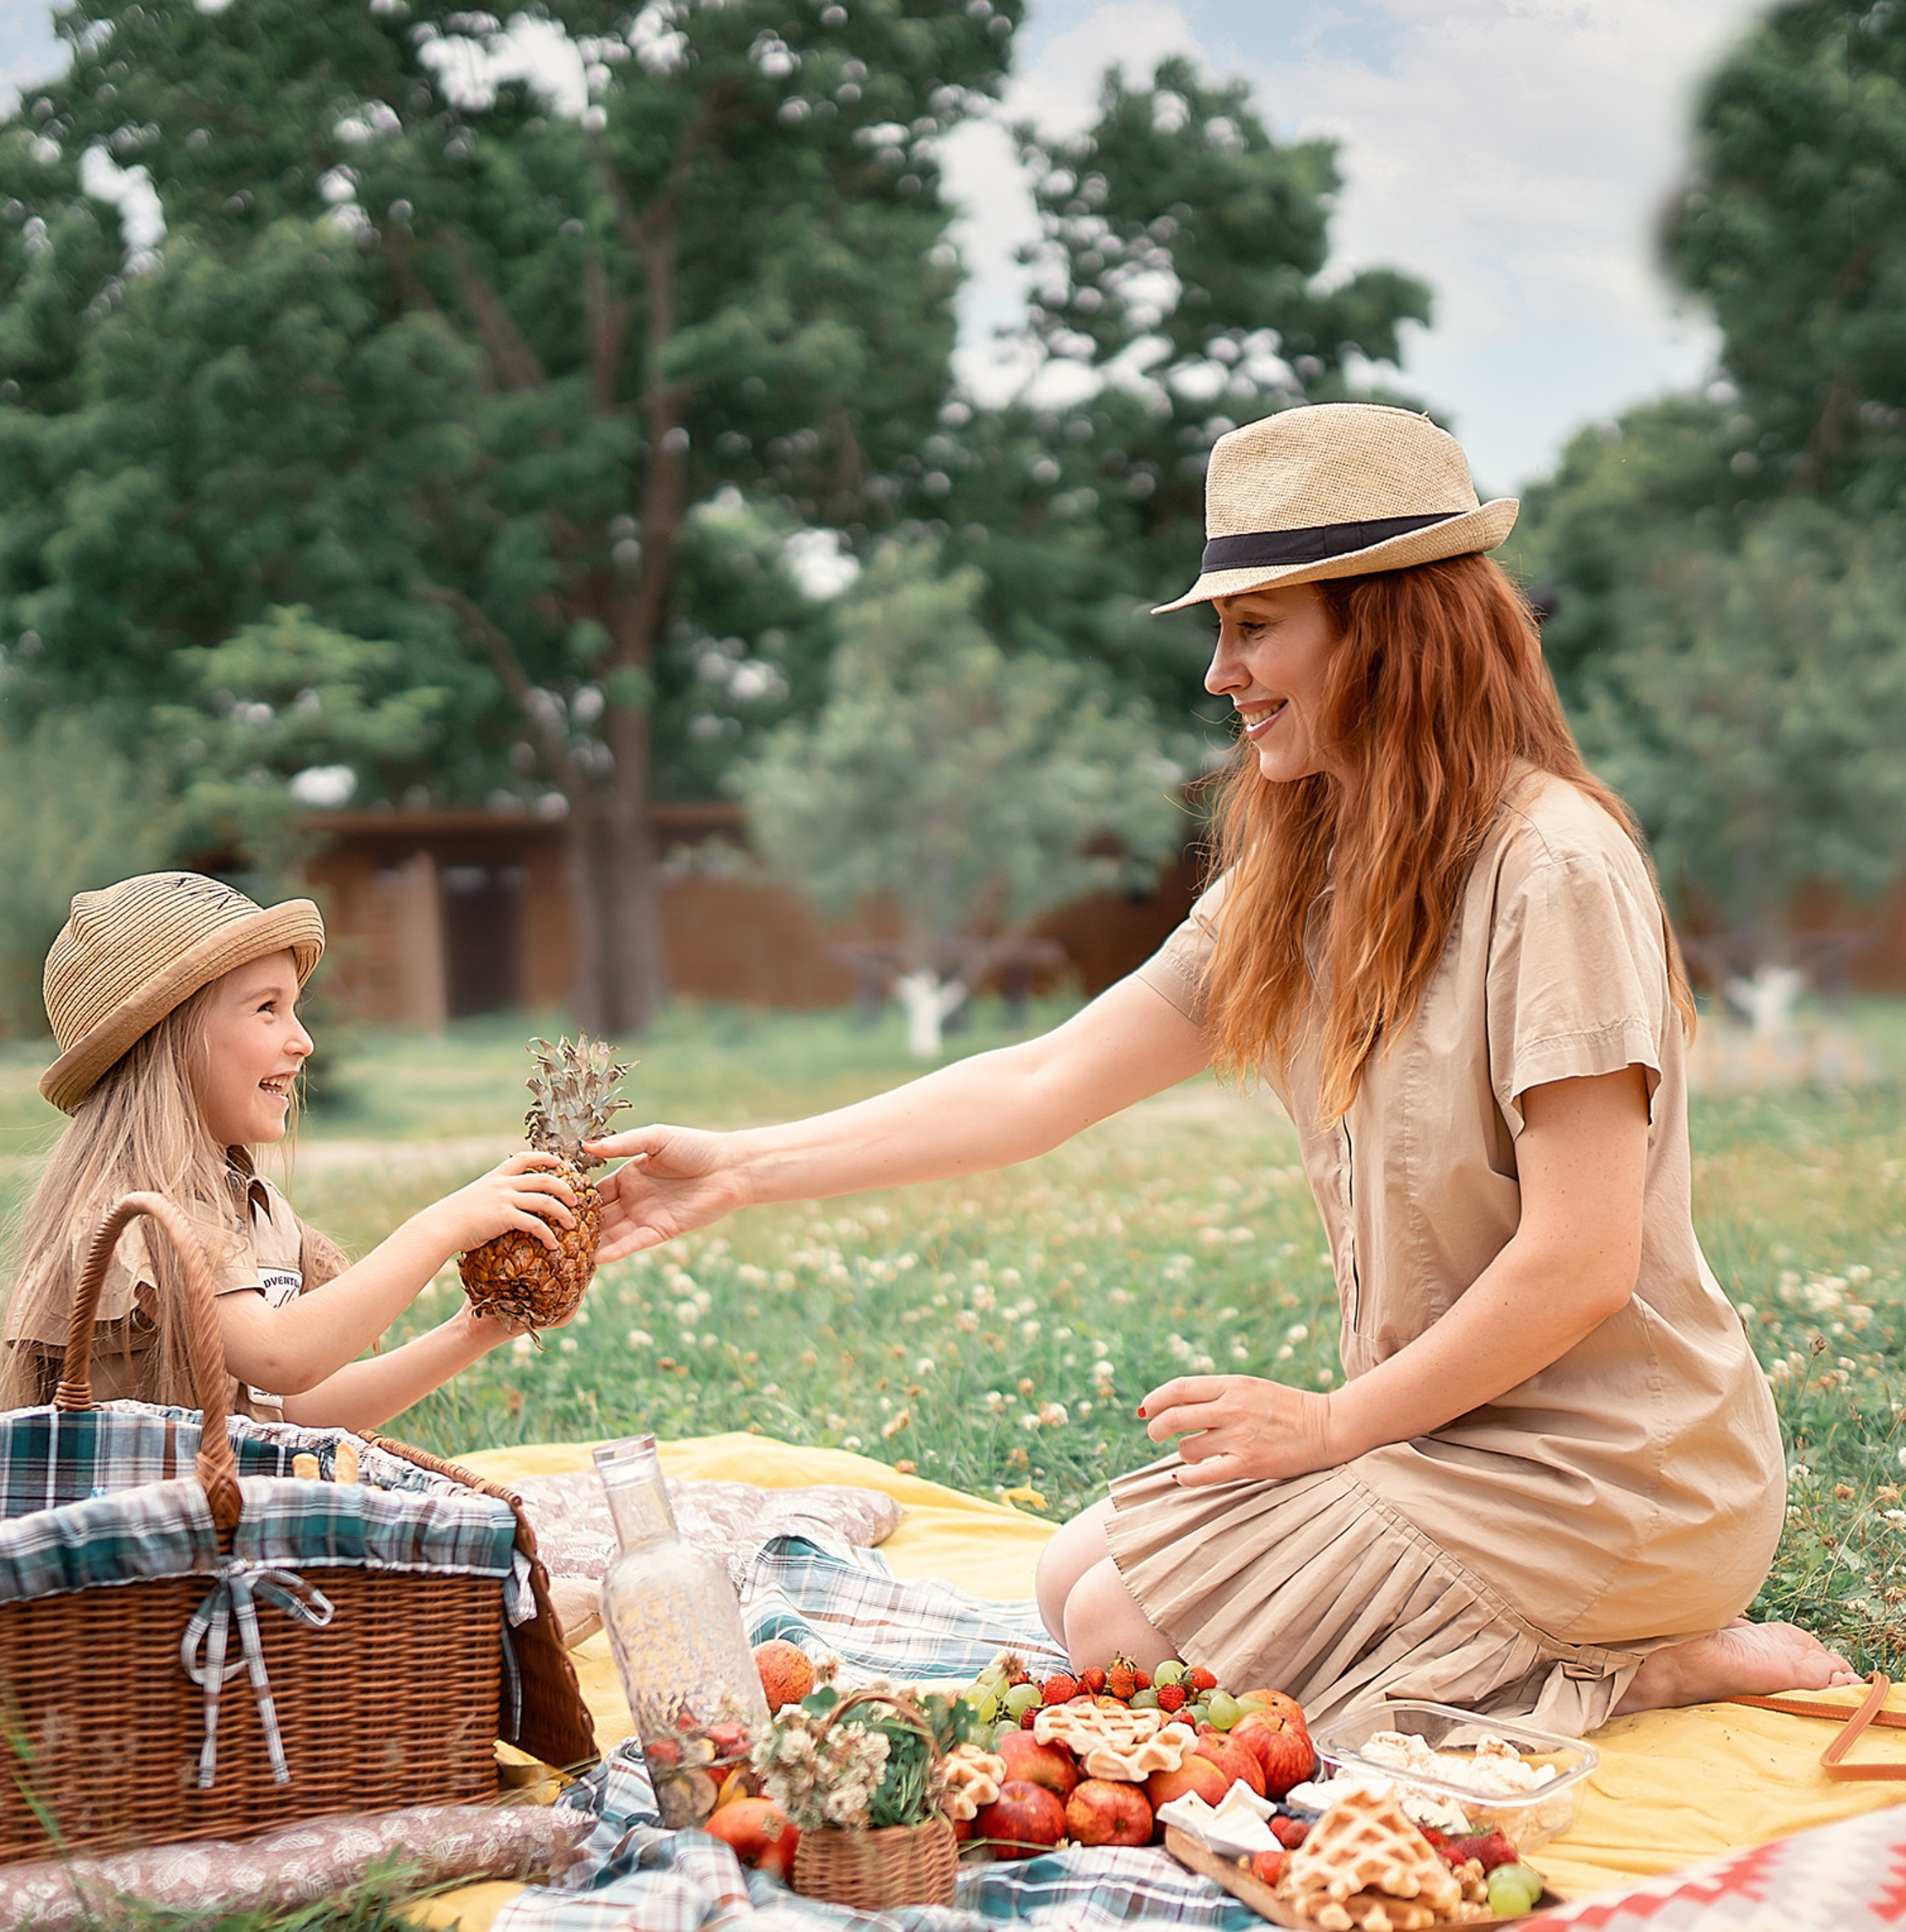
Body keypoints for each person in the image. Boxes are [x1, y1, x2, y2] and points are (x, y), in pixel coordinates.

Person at [590, 402, 1855, 1730]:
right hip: (1439, 1444)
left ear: (1390, 630)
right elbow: (1041, 1083)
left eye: (1255, 627)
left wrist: (1328, 1427)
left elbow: (1583, 1258)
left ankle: (1637, 1660)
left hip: (1617, 1477)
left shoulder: (1556, 867)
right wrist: (739, 1166)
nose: (1219, 674)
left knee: (1125, 1634)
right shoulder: (1308, 876)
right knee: (1075, 1582)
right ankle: (1593, 1656)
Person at [0, 870, 577, 1428]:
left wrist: (480, 1328)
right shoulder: (134, 1209)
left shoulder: (249, 1203)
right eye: (267, 1008)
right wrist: (442, 1226)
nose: (303, 1041)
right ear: (169, 1041)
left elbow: (292, 1407)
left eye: (294, 1008)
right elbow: (280, 1356)